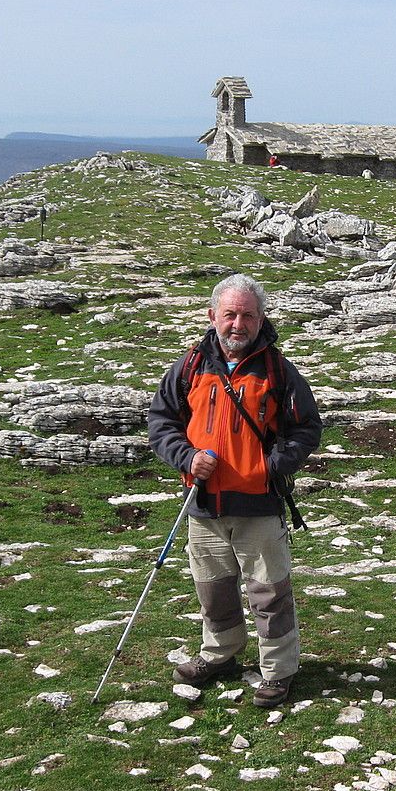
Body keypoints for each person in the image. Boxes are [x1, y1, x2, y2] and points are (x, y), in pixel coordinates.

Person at [148, 274, 322, 708]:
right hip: (203, 504)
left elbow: (306, 427)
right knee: (214, 589)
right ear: (213, 317)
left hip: (259, 504)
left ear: (261, 320)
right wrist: (186, 458)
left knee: (269, 593)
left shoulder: (278, 369)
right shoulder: (190, 365)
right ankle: (220, 653)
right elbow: (161, 422)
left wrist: (269, 466)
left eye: (248, 315)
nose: (238, 324)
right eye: (230, 314)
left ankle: (279, 671)